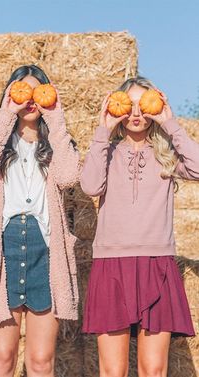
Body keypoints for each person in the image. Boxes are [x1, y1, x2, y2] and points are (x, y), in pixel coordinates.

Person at [0, 64, 80, 377]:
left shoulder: (56, 144)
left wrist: (56, 119)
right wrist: (6, 115)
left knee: (41, 361)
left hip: (45, 252)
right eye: (21, 90)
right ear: (10, 95)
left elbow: (69, 176)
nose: (30, 99)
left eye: (36, 91)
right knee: (2, 358)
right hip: (5, 251)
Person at [80, 76, 198, 377]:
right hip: (111, 264)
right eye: (127, 105)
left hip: (156, 263)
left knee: (153, 369)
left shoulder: (167, 156)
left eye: (142, 105)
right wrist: (103, 130)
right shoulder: (106, 152)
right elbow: (91, 186)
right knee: (112, 370)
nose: (135, 113)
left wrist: (170, 123)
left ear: (155, 107)